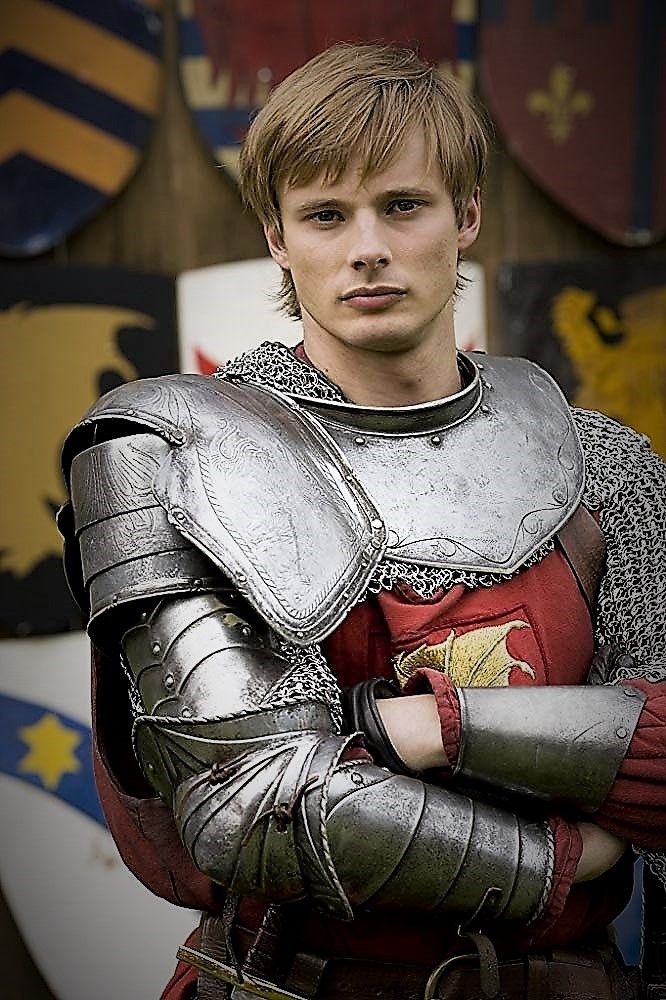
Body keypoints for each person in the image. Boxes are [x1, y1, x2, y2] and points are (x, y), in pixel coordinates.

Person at [58, 44, 666, 1000]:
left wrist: (418, 727)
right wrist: (569, 859)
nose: (367, 246)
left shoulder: (602, 466)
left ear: (466, 215)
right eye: (326, 215)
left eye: (404, 206)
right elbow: (253, 805)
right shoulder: (178, 454)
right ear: (277, 235)